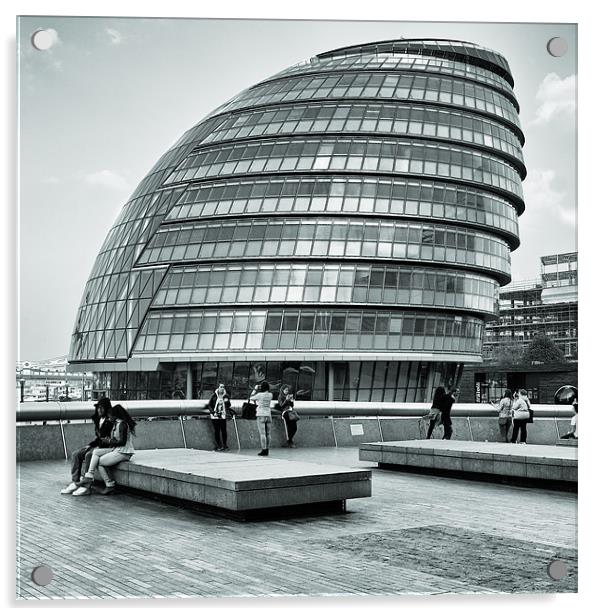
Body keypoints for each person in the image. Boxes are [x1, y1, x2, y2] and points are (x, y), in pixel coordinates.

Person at [73, 404, 137, 495]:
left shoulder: (122, 424)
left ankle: (109, 485)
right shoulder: (116, 424)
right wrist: (108, 440)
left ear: (115, 415)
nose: (108, 417)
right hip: (116, 449)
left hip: (124, 452)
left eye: (110, 415)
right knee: (96, 452)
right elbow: (116, 440)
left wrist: (109, 441)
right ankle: (89, 476)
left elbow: (122, 442)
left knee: (100, 462)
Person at [61, 397, 114, 494]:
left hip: (106, 447)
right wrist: (90, 445)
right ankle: (76, 482)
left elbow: (109, 438)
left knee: (89, 455)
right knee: (76, 454)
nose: (99, 410)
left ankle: (86, 487)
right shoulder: (98, 420)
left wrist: (96, 447)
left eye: (102, 408)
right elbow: (98, 438)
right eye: (98, 408)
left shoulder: (110, 421)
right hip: (97, 445)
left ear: (107, 409)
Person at [250, 381, 273, 456]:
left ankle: (264, 449)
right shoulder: (270, 395)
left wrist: (255, 389)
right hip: (268, 414)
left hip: (261, 414)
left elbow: (251, 397)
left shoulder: (259, 395)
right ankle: (267, 449)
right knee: (268, 433)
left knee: (262, 433)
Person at [208, 383, 232, 451]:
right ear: (218, 388)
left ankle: (225, 445)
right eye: (221, 387)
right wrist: (212, 412)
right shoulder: (214, 395)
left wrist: (226, 401)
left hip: (223, 416)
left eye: (223, 387)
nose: (222, 388)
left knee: (224, 430)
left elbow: (229, 405)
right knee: (217, 431)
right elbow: (209, 405)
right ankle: (218, 445)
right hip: (215, 416)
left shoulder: (226, 395)